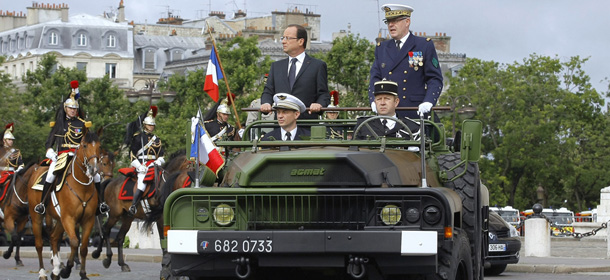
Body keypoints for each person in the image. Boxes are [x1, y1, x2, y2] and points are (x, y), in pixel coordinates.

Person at [34, 80, 108, 215]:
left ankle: (101, 204)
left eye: (75, 109)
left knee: (96, 176)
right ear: (65, 109)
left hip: (78, 156)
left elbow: (89, 142)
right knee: (50, 175)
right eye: (70, 108)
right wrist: (51, 153)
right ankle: (42, 204)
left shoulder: (82, 124)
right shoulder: (59, 124)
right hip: (61, 156)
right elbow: (48, 143)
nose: (73, 111)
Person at [368, 4, 443, 120]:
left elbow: (434, 78)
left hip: (415, 111)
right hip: (389, 114)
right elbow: (375, 78)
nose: (391, 25)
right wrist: (374, 99)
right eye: (388, 21)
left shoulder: (423, 45)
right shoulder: (382, 48)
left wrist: (429, 101)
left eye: (395, 21)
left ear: (407, 22)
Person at [260, 24, 330, 120]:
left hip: (306, 126)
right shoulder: (276, 66)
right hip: (281, 126)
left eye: (287, 38)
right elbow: (268, 91)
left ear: (301, 41)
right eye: (283, 38)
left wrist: (319, 104)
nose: (283, 41)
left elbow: (324, 94)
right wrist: (266, 103)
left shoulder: (317, 66)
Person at [124, 106, 165, 215]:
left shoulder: (157, 139)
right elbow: (132, 154)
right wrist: (139, 166)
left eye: (152, 125)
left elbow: (162, 155)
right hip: (143, 165)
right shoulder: (138, 138)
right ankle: (133, 206)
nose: (151, 127)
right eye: (149, 125)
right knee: (142, 182)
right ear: (145, 125)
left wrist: (158, 161)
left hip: (154, 165)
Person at [0, 123, 24, 195]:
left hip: (11, 175)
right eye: (9, 139)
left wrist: (16, 172)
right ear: (4, 140)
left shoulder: (15, 151)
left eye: (12, 140)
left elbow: (21, 165)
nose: (11, 141)